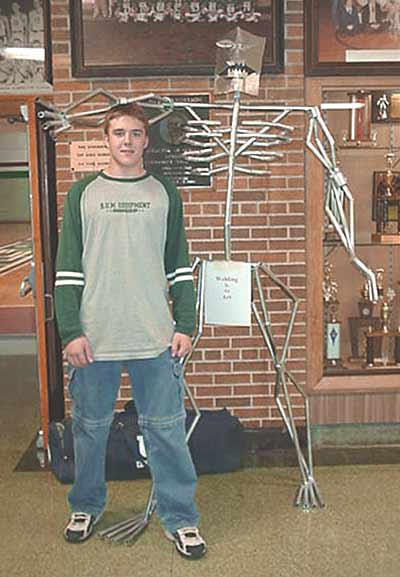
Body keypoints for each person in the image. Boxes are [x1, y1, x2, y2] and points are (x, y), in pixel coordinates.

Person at [54, 103, 207, 560]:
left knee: (166, 432)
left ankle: (181, 518)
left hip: (154, 337)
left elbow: (179, 266)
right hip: (94, 339)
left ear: (146, 140)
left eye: (135, 133)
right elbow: (67, 271)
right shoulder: (83, 193)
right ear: (106, 139)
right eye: (119, 132)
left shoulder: (164, 193)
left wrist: (185, 324)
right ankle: (85, 506)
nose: (127, 141)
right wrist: (70, 331)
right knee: (89, 429)